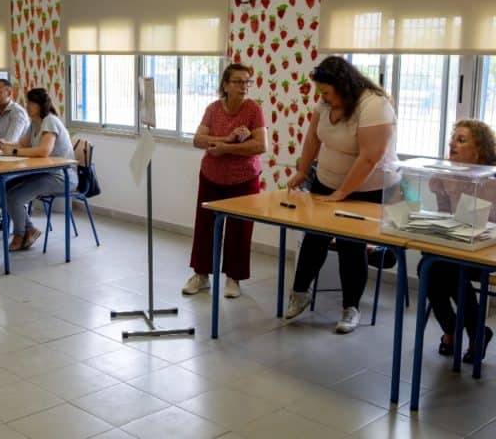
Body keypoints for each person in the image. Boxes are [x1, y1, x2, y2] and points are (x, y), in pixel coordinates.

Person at [284, 55, 399, 333]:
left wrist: (343, 191)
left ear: (344, 85)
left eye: (326, 91)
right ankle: (300, 293)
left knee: (351, 246)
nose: (322, 97)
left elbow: (371, 156)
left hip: (366, 189)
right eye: (320, 92)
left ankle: (351, 308)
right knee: (313, 238)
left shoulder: (373, 105)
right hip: (325, 181)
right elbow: (312, 138)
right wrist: (302, 171)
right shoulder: (324, 103)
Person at [182, 63, 268, 299]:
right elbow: (198, 140)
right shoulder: (213, 109)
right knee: (205, 226)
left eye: (247, 82)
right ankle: (201, 275)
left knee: (239, 229)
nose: (244, 86)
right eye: (238, 81)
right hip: (211, 175)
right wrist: (225, 139)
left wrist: (226, 147)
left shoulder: (253, 110)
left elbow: (261, 145)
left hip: (245, 178)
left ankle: (234, 277)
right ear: (226, 85)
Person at [427, 120, 496, 362]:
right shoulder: (445, 175)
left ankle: (456, 333)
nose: (452, 144)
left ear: (479, 150)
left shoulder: (493, 178)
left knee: (447, 272)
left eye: (461, 140)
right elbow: (443, 215)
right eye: (452, 139)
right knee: (431, 268)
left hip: (485, 251)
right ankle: (463, 331)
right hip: (456, 246)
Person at [0, 87, 76, 252]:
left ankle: (19, 234)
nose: (27, 105)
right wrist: (4, 144)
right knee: (6, 190)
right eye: (27, 102)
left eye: (31, 102)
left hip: (62, 176)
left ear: (40, 105)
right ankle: (29, 230)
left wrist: (14, 152)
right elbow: (22, 144)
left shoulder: (50, 121)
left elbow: (44, 151)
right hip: (45, 173)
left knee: (15, 197)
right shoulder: (35, 123)